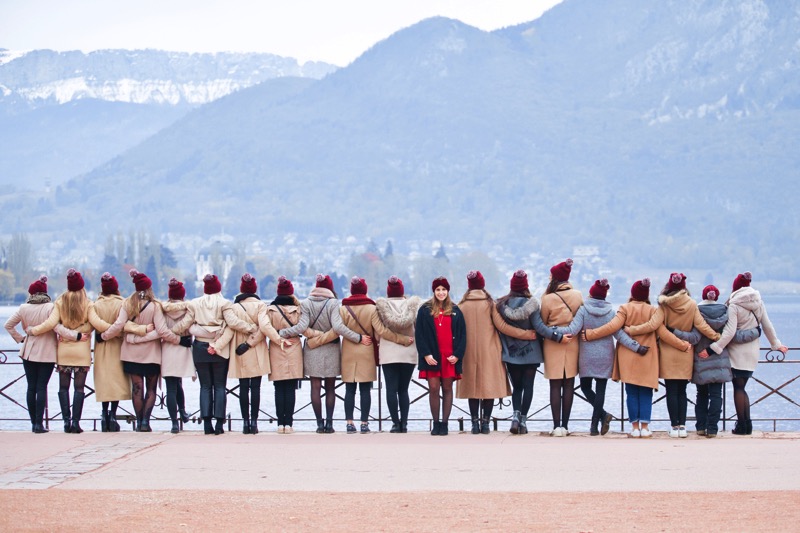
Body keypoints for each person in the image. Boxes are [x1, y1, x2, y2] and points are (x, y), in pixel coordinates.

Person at [585, 278, 689, 438]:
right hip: (648, 356)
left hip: (627, 356)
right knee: (646, 392)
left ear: (632, 293)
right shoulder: (653, 311)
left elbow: (612, 327)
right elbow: (663, 333)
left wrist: (591, 334)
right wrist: (683, 345)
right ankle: (645, 428)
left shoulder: (624, 308)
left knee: (631, 393)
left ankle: (634, 428)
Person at [625, 273, 719, 438]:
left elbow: (653, 325)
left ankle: (674, 426)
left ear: (668, 287)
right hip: (686, 353)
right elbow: (701, 326)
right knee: (682, 392)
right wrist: (717, 337)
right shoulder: (692, 304)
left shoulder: (664, 305)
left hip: (668, 354)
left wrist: (632, 330)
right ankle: (682, 427)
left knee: (671, 392)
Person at [554, 278, 646, 435]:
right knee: (601, 390)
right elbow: (619, 335)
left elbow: (572, 330)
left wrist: (553, 329)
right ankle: (594, 425)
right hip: (605, 355)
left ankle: (603, 416)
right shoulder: (611, 313)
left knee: (585, 388)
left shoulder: (583, 310)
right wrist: (636, 347)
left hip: (586, 356)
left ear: (591, 294)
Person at [701, 272, 789, 435]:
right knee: (743, 388)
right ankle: (747, 425)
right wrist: (776, 344)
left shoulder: (734, 305)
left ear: (735, 288)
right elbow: (767, 325)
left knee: (738, 388)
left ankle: (742, 426)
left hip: (737, 352)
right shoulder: (759, 303)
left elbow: (729, 332)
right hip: (752, 351)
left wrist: (713, 348)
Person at [278, 274, 365, 434]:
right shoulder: (333, 303)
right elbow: (338, 328)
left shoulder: (306, 303)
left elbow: (302, 327)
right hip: (331, 348)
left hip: (312, 350)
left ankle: (319, 423)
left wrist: (283, 332)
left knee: (315, 387)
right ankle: (329, 423)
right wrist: (358, 338)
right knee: (331, 388)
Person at [670, 285, 760, 437]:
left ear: (703, 296)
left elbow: (694, 338)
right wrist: (755, 332)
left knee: (701, 395)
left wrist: (674, 331)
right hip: (720, 361)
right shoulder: (725, 313)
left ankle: (701, 427)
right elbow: (733, 336)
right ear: (716, 297)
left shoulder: (697, 312)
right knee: (716, 395)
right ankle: (712, 429)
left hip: (701, 359)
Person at [458, 270, 537, 435]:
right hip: (490, 352)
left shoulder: (461, 306)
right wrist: (526, 334)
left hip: (468, 353)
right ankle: (486, 424)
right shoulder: (490, 304)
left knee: (472, 389)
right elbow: (503, 327)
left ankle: (474, 424)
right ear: (482, 285)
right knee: (489, 387)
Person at [172, 274, 252, 435]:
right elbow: (233, 323)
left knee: (205, 386)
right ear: (218, 288)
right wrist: (252, 328)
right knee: (220, 386)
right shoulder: (224, 304)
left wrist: (170, 332)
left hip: (200, 348)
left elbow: (185, 324)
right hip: (219, 349)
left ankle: (206, 423)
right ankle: (219, 424)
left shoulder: (194, 303)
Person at [338, 276, 413, 434]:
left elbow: (338, 328)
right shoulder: (372, 308)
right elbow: (381, 331)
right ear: (364, 290)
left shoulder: (343, 308)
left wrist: (354, 337)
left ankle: (349, 424)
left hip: (348, 352)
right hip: (367, 350)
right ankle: (364, 424)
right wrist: (403, 339)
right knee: (366, 390)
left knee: (349, 390)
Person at [495, 270, 566, 435]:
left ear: (512, 286)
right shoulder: (532, 304)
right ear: (526, 286)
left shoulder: (502, 305)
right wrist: (557, 337)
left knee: (517, 388)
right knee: (528, 387)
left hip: (511, 353)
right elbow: (540, 328)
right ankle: (523, 421)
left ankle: (515, 417)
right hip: (531, 353)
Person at [103, 269, 175, 432]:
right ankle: (145, 423)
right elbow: (162, 331)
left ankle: (139, 420)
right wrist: (176, 339)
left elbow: (119, 325)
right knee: (151, 389)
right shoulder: (155, 306)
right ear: (149, 288)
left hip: (131, 353)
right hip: (151, 354)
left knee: (137, 388)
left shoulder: (127, 304)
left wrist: (105, 335)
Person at [27, 269, 93, 433]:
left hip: (64, 351)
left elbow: (51, 324)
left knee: (63, 388)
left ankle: (66, 422)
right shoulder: (88, 303)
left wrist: (33, 331)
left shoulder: (60, 302)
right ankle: (75, 423)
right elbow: (94, 324)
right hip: (82, 352)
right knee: (79, 389)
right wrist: (82, 332)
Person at [212, 273, 271, 434]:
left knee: (243, 388)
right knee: (256, 388)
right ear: (254, 289)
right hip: (256, 349)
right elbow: (264, 328)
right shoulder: (261, 306)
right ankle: (254, 422)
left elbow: (230, 329)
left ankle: (245, 423)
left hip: (240, 350)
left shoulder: (234, 307)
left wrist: (217, 345)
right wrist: (252, 341)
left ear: (242, 289)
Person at [4, 276, 57, 433]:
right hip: (47, 352)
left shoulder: (24, 308)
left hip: (28, 352)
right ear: (45, 293)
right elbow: (56, 326)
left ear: (31, 293)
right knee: (42, 387)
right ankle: (40, 424)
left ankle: (33, 423)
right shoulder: (51, 308)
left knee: (31, 387)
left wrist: (20, 339)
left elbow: (8, 325)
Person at [415, 276, 467, 436]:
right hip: (432, 356)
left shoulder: (456, 310)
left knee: (447, 388)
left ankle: (444, 424)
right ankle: (435, 423)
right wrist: (425, 354)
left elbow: (463, 335)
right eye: (438, 289)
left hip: (449, 356)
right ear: (434, 291)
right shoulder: (424, 310)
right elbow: (419, 334)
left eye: (443, 289)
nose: (441, 292)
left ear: (448, 291)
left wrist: (457, 355)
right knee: (433, 388)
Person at [540, 259, 582, 436]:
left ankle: (556, 426)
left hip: (553, 343)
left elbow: (542, 323)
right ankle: (566, 425)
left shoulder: (547, 298)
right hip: (573, 342)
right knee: (569, 384)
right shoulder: (578, 295)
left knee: (555, 385)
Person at [88, 273, 135, 432]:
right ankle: (113, 415)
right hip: (118, 347)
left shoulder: (95, 305)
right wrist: (115, 332)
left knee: (105, 382)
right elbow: (125, 325)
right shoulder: (122, 304)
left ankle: (103, 414)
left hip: (101, 347)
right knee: (116, 381)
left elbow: (91, 326)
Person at [375, 276, 422, 433]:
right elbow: (418, 328)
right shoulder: (412, 306)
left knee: (391, 390)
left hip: (388, 353)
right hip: (408, 351)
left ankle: (395, 423)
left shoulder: (381, 307)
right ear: (402, 291)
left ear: (388, 292)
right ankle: (405, 423)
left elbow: (378, 333)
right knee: (403, 390)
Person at [265, 276, 304, 434]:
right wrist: (293, 297)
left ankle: (280, 423)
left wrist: (278, 337)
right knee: (290, 388)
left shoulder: (270, 310)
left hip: (277, 347)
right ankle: (289, 423)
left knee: (278, 387)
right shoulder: (298, 309)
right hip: (294, 347)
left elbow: (266, 328)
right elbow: (304, 323)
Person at [159, 278, 196, 433]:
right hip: (183, 349)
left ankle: (174, 422)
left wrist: (169, 334)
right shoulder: (189, 309)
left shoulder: (162, 309)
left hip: (167, 349)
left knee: (171, 388)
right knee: (179, 383)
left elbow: (161, 330)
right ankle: (182, 411)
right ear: (182, 295)